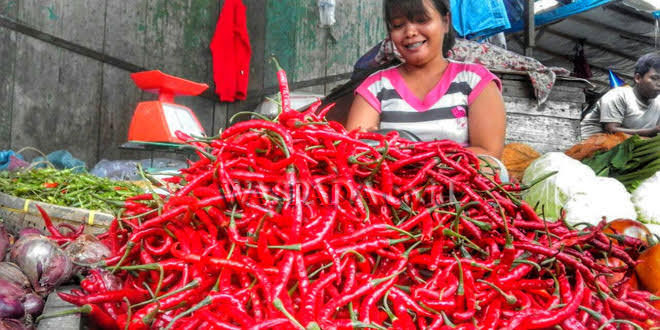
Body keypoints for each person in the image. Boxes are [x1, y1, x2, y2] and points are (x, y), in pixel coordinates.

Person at [345, 0, 506, 159]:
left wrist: (412, 156)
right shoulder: (375, 87)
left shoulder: (474, 81)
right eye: (398, 25)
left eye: (422, 20)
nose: (410, 32)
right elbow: (357, 151)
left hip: (458, 183)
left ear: (445, 22)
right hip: (391, 185)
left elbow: (489, 155)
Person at [580, 52, 660, 140]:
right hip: (593, 146)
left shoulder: (658, 102)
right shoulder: (617, 95)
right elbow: (611, 131)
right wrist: (651, 131)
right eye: (655, 78)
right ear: (638, 78)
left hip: (631, 146)